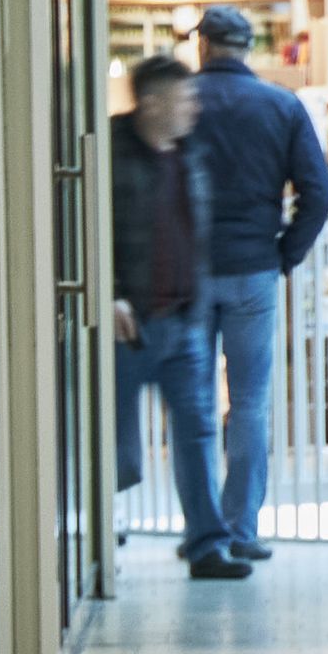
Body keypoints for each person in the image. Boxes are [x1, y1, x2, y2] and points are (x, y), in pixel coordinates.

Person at [182, 2, 328, 566]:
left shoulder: (180, 102)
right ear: (249, 48)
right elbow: (318, 194)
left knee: (194, 403)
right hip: (254, 271)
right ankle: (240, 527)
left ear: (202, 45)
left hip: (188, 276)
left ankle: (205, 536)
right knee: (249, 403)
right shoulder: (281, 105)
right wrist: (284, 256)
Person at [108, 53, 238, 579]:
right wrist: (110, 292)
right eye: (184, 98)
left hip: (184, 322)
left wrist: (197, 307)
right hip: (125, 326)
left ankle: (207, 544)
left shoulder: (191, 154)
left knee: (197, 430)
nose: (194, 108)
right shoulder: (107, 153)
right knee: (110, 438)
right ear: (153, 101)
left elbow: (196, 236)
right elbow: (85, 229)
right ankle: (96, 533)